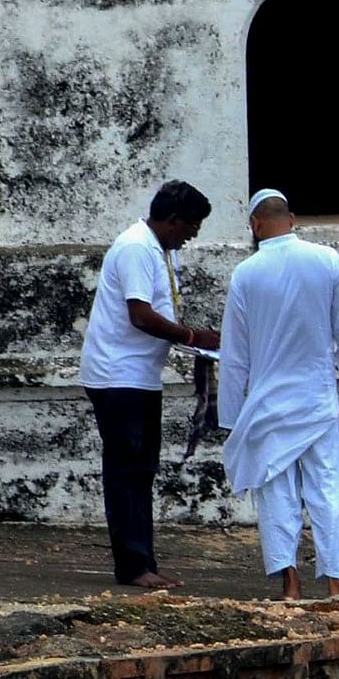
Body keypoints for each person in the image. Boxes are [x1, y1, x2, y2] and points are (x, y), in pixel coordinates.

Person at [217, 189, 339, 599]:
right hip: (317, 403)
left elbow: (234, 355)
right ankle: (336, 582)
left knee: (276, 497)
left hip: (268, 408)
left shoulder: (245, 274)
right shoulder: (327, 261)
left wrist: (230, 420)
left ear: (255, 225)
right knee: (326, 492)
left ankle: (290, 583)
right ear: (293, 219)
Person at [79, 181, 219, 590]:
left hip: (137, 375)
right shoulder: (138, 248)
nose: (192, 236)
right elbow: (140, 315)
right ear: (172, 220)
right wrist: (192, 337)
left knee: (141, 471)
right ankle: (133, 566)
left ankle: (143, 561)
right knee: (127, 472)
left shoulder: (154, 247)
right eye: (191, 227)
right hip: (118, 376)